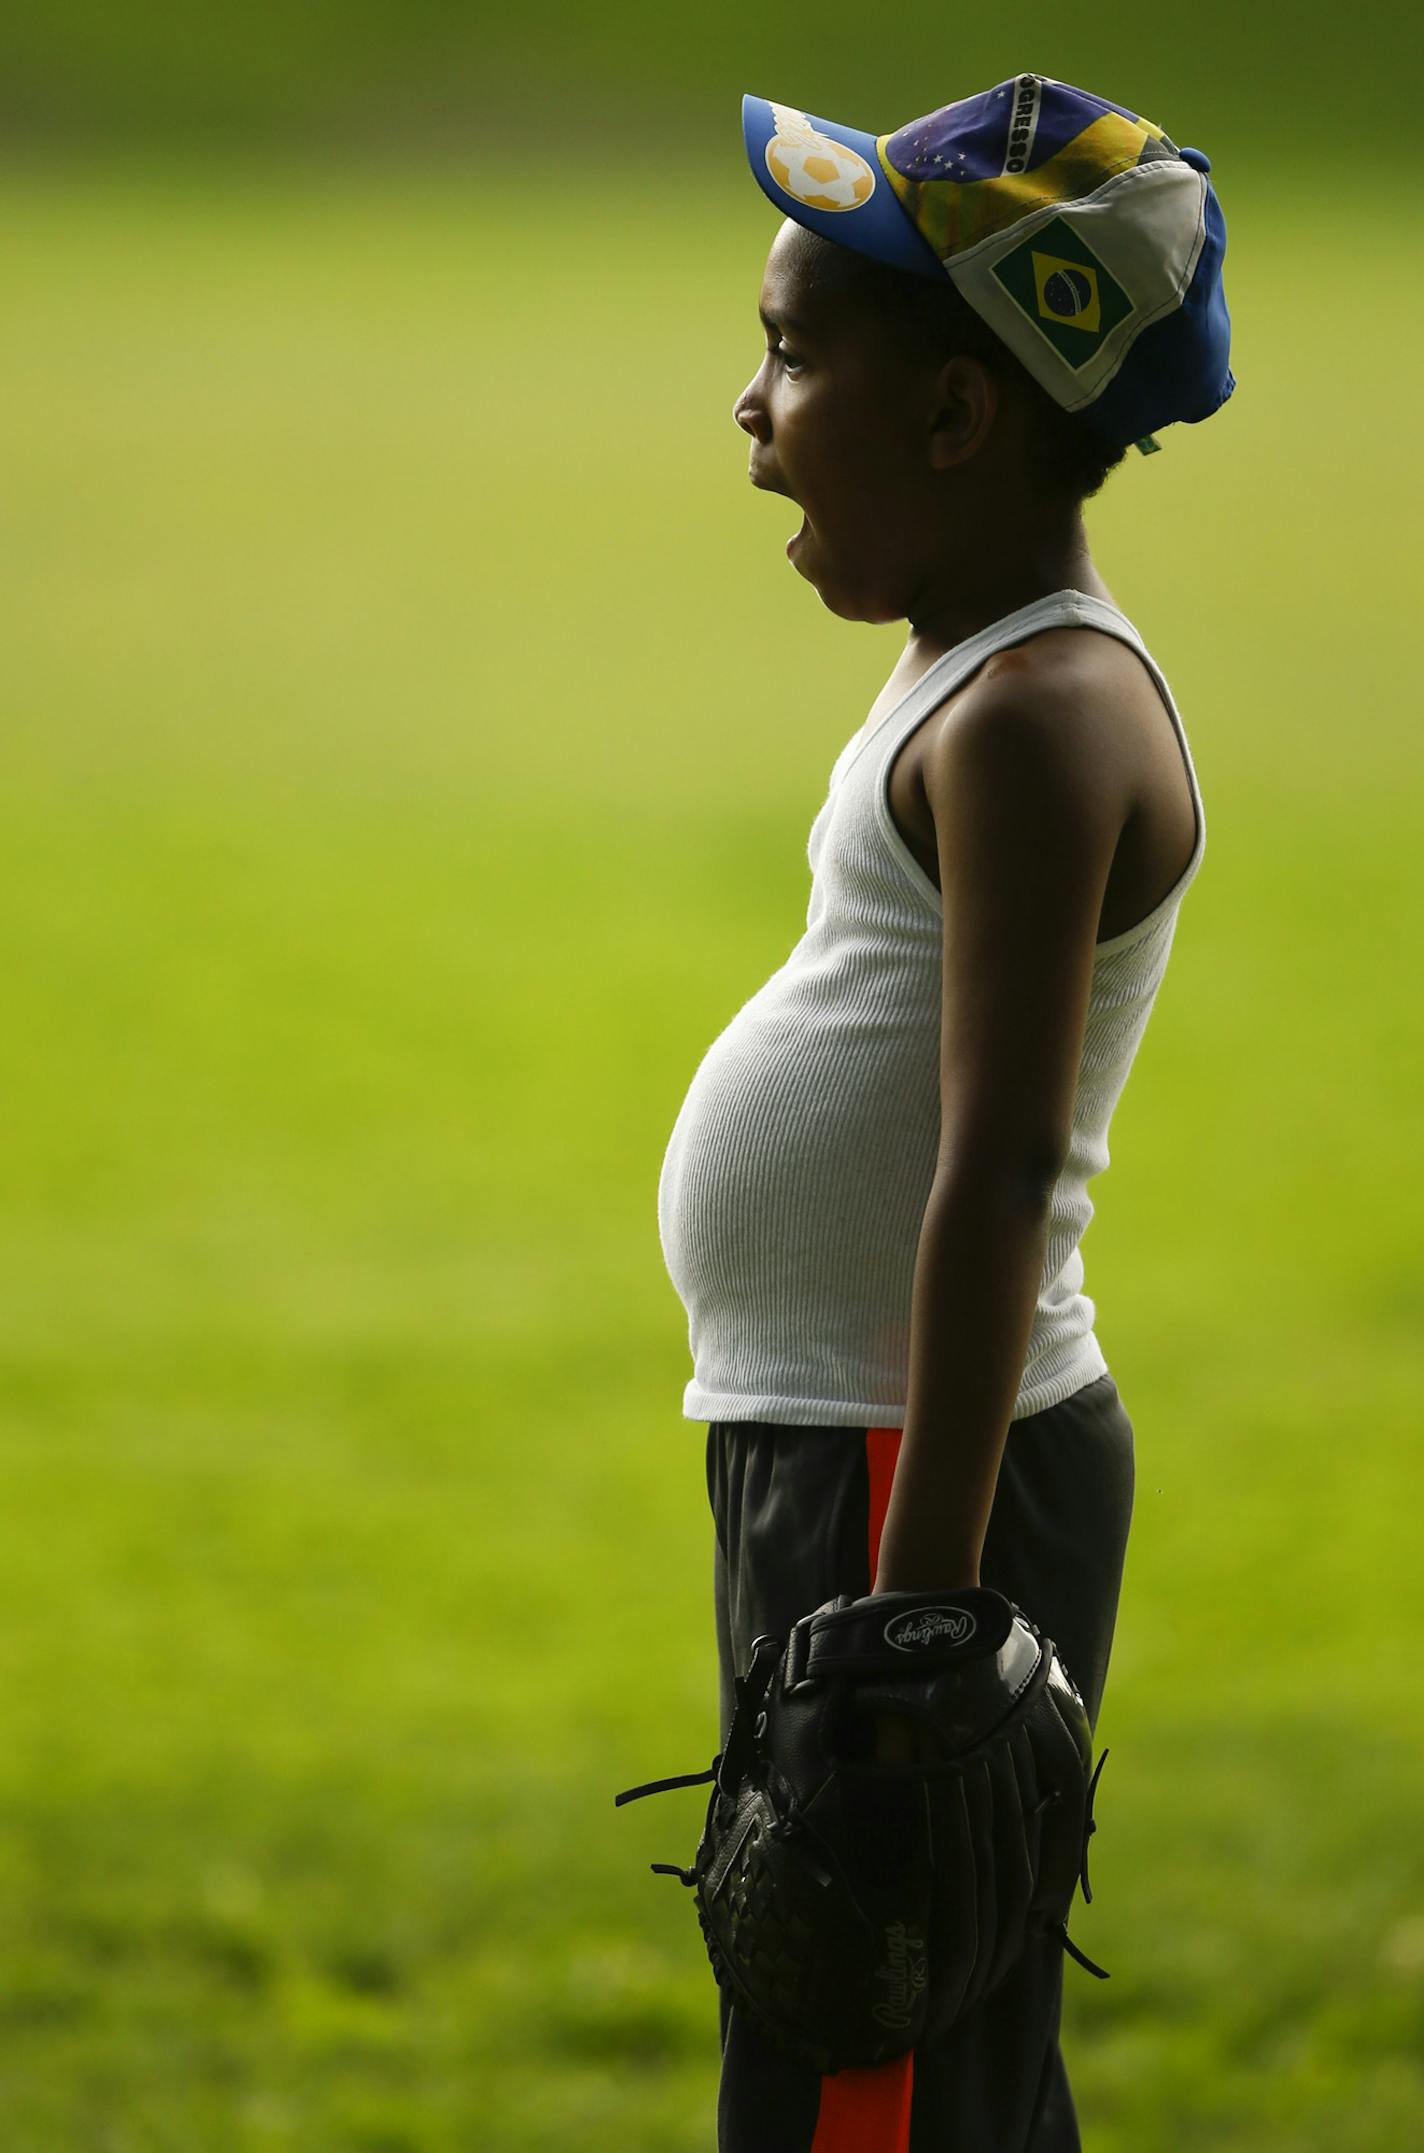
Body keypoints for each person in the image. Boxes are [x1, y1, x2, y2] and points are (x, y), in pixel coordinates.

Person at [654, 71, 1234, 2152]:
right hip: (849, 1437)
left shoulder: (1040, 714)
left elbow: (990, 1178)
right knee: (865, 2027)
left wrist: (913, 1628)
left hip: (923, 1464)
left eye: (796, 350)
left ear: (961, 414)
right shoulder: (967, 664)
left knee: (876, 2074)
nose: (749, 405)